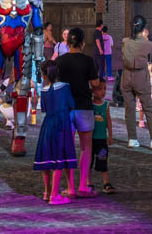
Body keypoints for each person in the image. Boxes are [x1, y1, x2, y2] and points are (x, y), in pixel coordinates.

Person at [55, 27, 101, 197]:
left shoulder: (60, 61)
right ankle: (83, 186)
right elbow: (95, 84)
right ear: (82, 43)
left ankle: (70, 188)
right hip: (84, 107)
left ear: (67, 43)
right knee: (85, 148)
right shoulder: (88, 61)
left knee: (67, 148)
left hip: (65, 108)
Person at [120, 16, 152, 150]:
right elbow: (148, 59)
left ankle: (132, 139)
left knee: (129, 109)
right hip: (141, 76)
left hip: (126, 76)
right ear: (144, 28)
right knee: (148, 108)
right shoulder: (148, 44)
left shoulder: (125, 41)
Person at [33, 60, 76, 205]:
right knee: (59, 158)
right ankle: (54, 195)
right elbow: (71, 104)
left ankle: (47, 192)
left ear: (44, 75)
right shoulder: (65, 87)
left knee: (47, 158)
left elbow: (44, 108)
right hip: (61, 124)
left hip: (48, 124)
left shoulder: (44, 90)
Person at [90, 78, 115, 194]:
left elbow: (108, 121)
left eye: (105, 89)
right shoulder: (90, 105)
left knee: (103, 160)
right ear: (93, 91)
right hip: (91, 139)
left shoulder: (106, 105)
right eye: (100, 89)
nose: (103, 91)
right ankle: (88, 182)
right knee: (89, 161)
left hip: (102, 139)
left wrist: (110, 135)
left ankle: (106, 182)